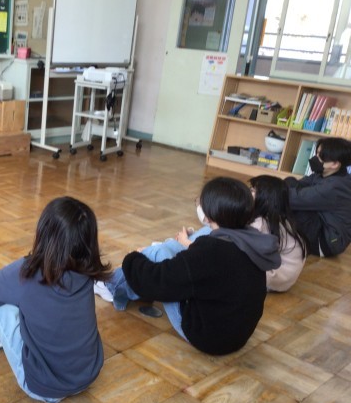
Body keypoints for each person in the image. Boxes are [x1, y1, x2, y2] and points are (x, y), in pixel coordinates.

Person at [105, 177, 280, 355]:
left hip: (209, 338)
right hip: (238, 335)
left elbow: (160, 282)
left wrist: (134, 258)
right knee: (184, 245)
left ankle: (110, 285)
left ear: (209, 214)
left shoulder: (211, 252)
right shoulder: (252, 240)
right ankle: (125, 281)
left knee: (158, 253)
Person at [0, 196, 112, 403]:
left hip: (45, 388)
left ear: (44, 233)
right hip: (88, 376)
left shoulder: (27, 271)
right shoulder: (88, 273)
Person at [285, 137, 351, 257]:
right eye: (317, 153)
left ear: (335, 164)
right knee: (289, 182)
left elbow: (295, 198)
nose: (316, 158)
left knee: (287, 201)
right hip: (321, 222)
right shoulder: (323, 174)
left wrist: (266, 191)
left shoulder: (334, 187)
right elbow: (297, 185)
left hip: (327, 241)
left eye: (321, 156)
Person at [249, 175, 307, 292]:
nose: (248, 194)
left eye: (253, 191)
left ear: (266, 199)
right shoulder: (280, 220)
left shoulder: (262, 223)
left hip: (274, 278)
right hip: (285, 279)